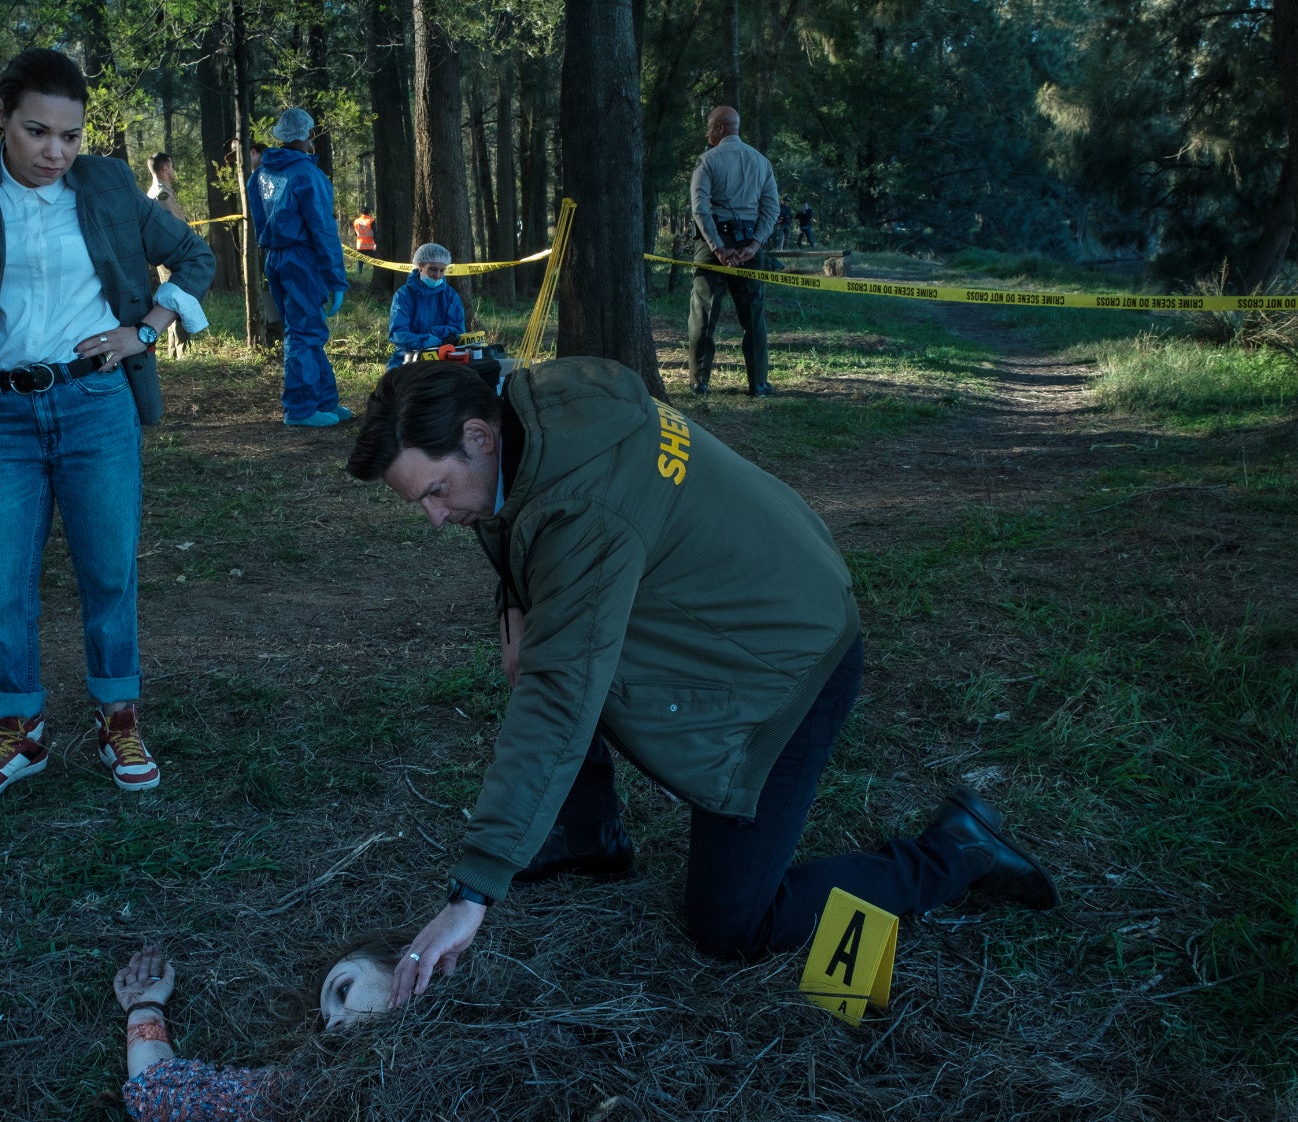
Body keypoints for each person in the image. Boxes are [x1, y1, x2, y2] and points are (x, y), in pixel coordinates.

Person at [342, 358, 1060, 1005]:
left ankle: (954, 853)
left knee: (733, 925)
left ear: (478, 435)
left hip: (787, 669)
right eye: (423, 503)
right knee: (553, 647)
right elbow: (522, 538)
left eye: (436, 491)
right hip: (760, 604)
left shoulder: (585, 506)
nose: (437, 518)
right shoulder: (541, 407)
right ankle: (588, 834)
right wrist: (518, 601)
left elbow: (559, 697)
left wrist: (473, 890)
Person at [0, 49, 214, 804]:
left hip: (95, 405)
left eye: (69, 136)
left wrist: (149, 326)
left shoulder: (103, 182)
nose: (55, 153)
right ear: (1, 116)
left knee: (109, 570)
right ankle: (20, 732)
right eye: (38, 132)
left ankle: (118, 718)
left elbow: (193, 255)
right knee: (0, 584)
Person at [112, 937, 402, 1122]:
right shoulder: (336, 1091)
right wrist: (144, 1010)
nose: (335, 1025)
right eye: (327, 1022)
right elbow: (163, 1097)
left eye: (343, 990)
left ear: (405, 957)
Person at [245, 108, 351, 428]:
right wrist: (336, 278)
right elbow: (323, 229)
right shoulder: (307, 175)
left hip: (275, 258)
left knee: (306, 331)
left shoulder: (261, 175)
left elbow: (260, 221)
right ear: (307, 135)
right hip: (302, 259)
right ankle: (301, 408)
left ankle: (323, 400)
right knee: (305, 333)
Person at [687, 105, 780, 398]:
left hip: (714, 242)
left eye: (709, 127)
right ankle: (758, 384)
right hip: (749, 240)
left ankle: (699, 382)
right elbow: (771, 209)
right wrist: (753, 245)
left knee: (703, 311)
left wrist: (718, 248)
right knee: (753, 315)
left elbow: (700, 210)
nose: (707, 132)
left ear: (720, 129)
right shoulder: (761, 161)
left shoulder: (707, 161)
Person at [384, 242, 466, 369]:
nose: (438, 275)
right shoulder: (404, 295)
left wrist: (435, 333)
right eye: (433, 269)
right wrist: (427, 341)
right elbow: (398, 333)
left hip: (444, 356)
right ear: (421, 266)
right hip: (409, 356)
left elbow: (458, 330)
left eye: (442, 270)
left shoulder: (450, 295)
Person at [146, 152, 191, 358]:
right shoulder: (161, 193)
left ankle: (175, 351)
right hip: (173, 254)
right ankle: (181, 352)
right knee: (180, 298)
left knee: (173, 299)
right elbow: (175, 226)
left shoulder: (155, 191)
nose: (173, 171)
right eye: (171, 166)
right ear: (165, 168)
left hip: (168, 254)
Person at [352, 208, 377, 275]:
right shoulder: (371, 220)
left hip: (360, 245)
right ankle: (376, 273)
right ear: (369, 212)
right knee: (374, 262)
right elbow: (375, 233)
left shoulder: (356, 221)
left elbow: (355, 233)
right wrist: (376, 242)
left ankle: (359, 274)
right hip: (370, 245)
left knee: (360, 261)